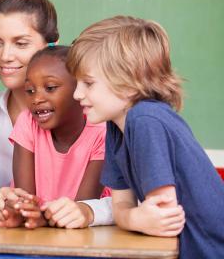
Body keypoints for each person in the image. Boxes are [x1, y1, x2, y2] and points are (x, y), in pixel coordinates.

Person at [67, 15, 223, 258]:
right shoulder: (116, 127)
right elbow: (122, 208)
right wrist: (135, 218)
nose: (77, 93)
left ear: (129, 84)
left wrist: (135, 218)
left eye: (88, 83)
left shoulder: (145, 120)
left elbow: (162, 217)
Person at [0, 0, 113, 228]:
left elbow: (94, 204)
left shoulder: (100, 124)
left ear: (50, 45)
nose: (5, 56)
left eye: (20, 43)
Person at [4, 46, 106, 229]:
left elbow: (80, 208)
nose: (36, 99)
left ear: (79, 90)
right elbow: (25, 199)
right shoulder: (28, 122)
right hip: (35, 232)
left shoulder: (102, 132)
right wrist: (25, 210)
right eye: (30, 90)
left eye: (50, 88)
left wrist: (42, 216)